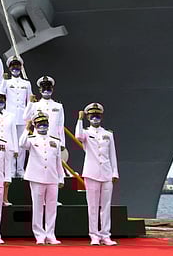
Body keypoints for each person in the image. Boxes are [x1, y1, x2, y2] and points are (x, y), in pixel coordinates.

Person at [76, 103, 119, 246]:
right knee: (93, 206)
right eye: (92, 116)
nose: (95, 118)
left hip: (106, 173)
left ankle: (106, 235)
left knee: (105, 206)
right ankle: (94, 235)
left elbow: (112, 154)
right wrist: (79, 119)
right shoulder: (86, 133)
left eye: (97, 115)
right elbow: (78, 135)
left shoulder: (108, 134)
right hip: (92, 173)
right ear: (88, 117)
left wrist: (115, 172)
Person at [21, 111, 64, 245]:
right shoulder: (32, 139)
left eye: (44, 123)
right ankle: (39, 235)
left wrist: (60, 177)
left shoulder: (55, 141)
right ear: (35, 125)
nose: (42, 126)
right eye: (39, 124)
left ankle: (50, 234)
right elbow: (22, 144)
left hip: (52, 177)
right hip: (36, 177)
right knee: (38, 207)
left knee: (52, 207)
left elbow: (58, 161)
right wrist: (27, 129)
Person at [1, 57, 31, 177]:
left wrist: (30, 117)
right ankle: (12, 170)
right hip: (10, 116)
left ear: (21, 67)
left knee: (22, 144)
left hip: (23, 117)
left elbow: (29, 100)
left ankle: (20, 169)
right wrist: (3, 81)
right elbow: (0, 96)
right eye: (13, 66)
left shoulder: (26, 83)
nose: (15, 68)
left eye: (17, 66)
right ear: (10, 68)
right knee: (11, 144)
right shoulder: (7, 83)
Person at [24, 75, 65, 145]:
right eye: (44, 88)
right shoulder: (35, 105)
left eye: (48, 88)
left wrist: (62, 143)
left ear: (52, 89)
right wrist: (30, 103)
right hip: (37, 141)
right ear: (40, 90)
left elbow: (60, 126)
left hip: (53, 140)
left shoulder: (58, 106)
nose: (46, 90)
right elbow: (25, 118)